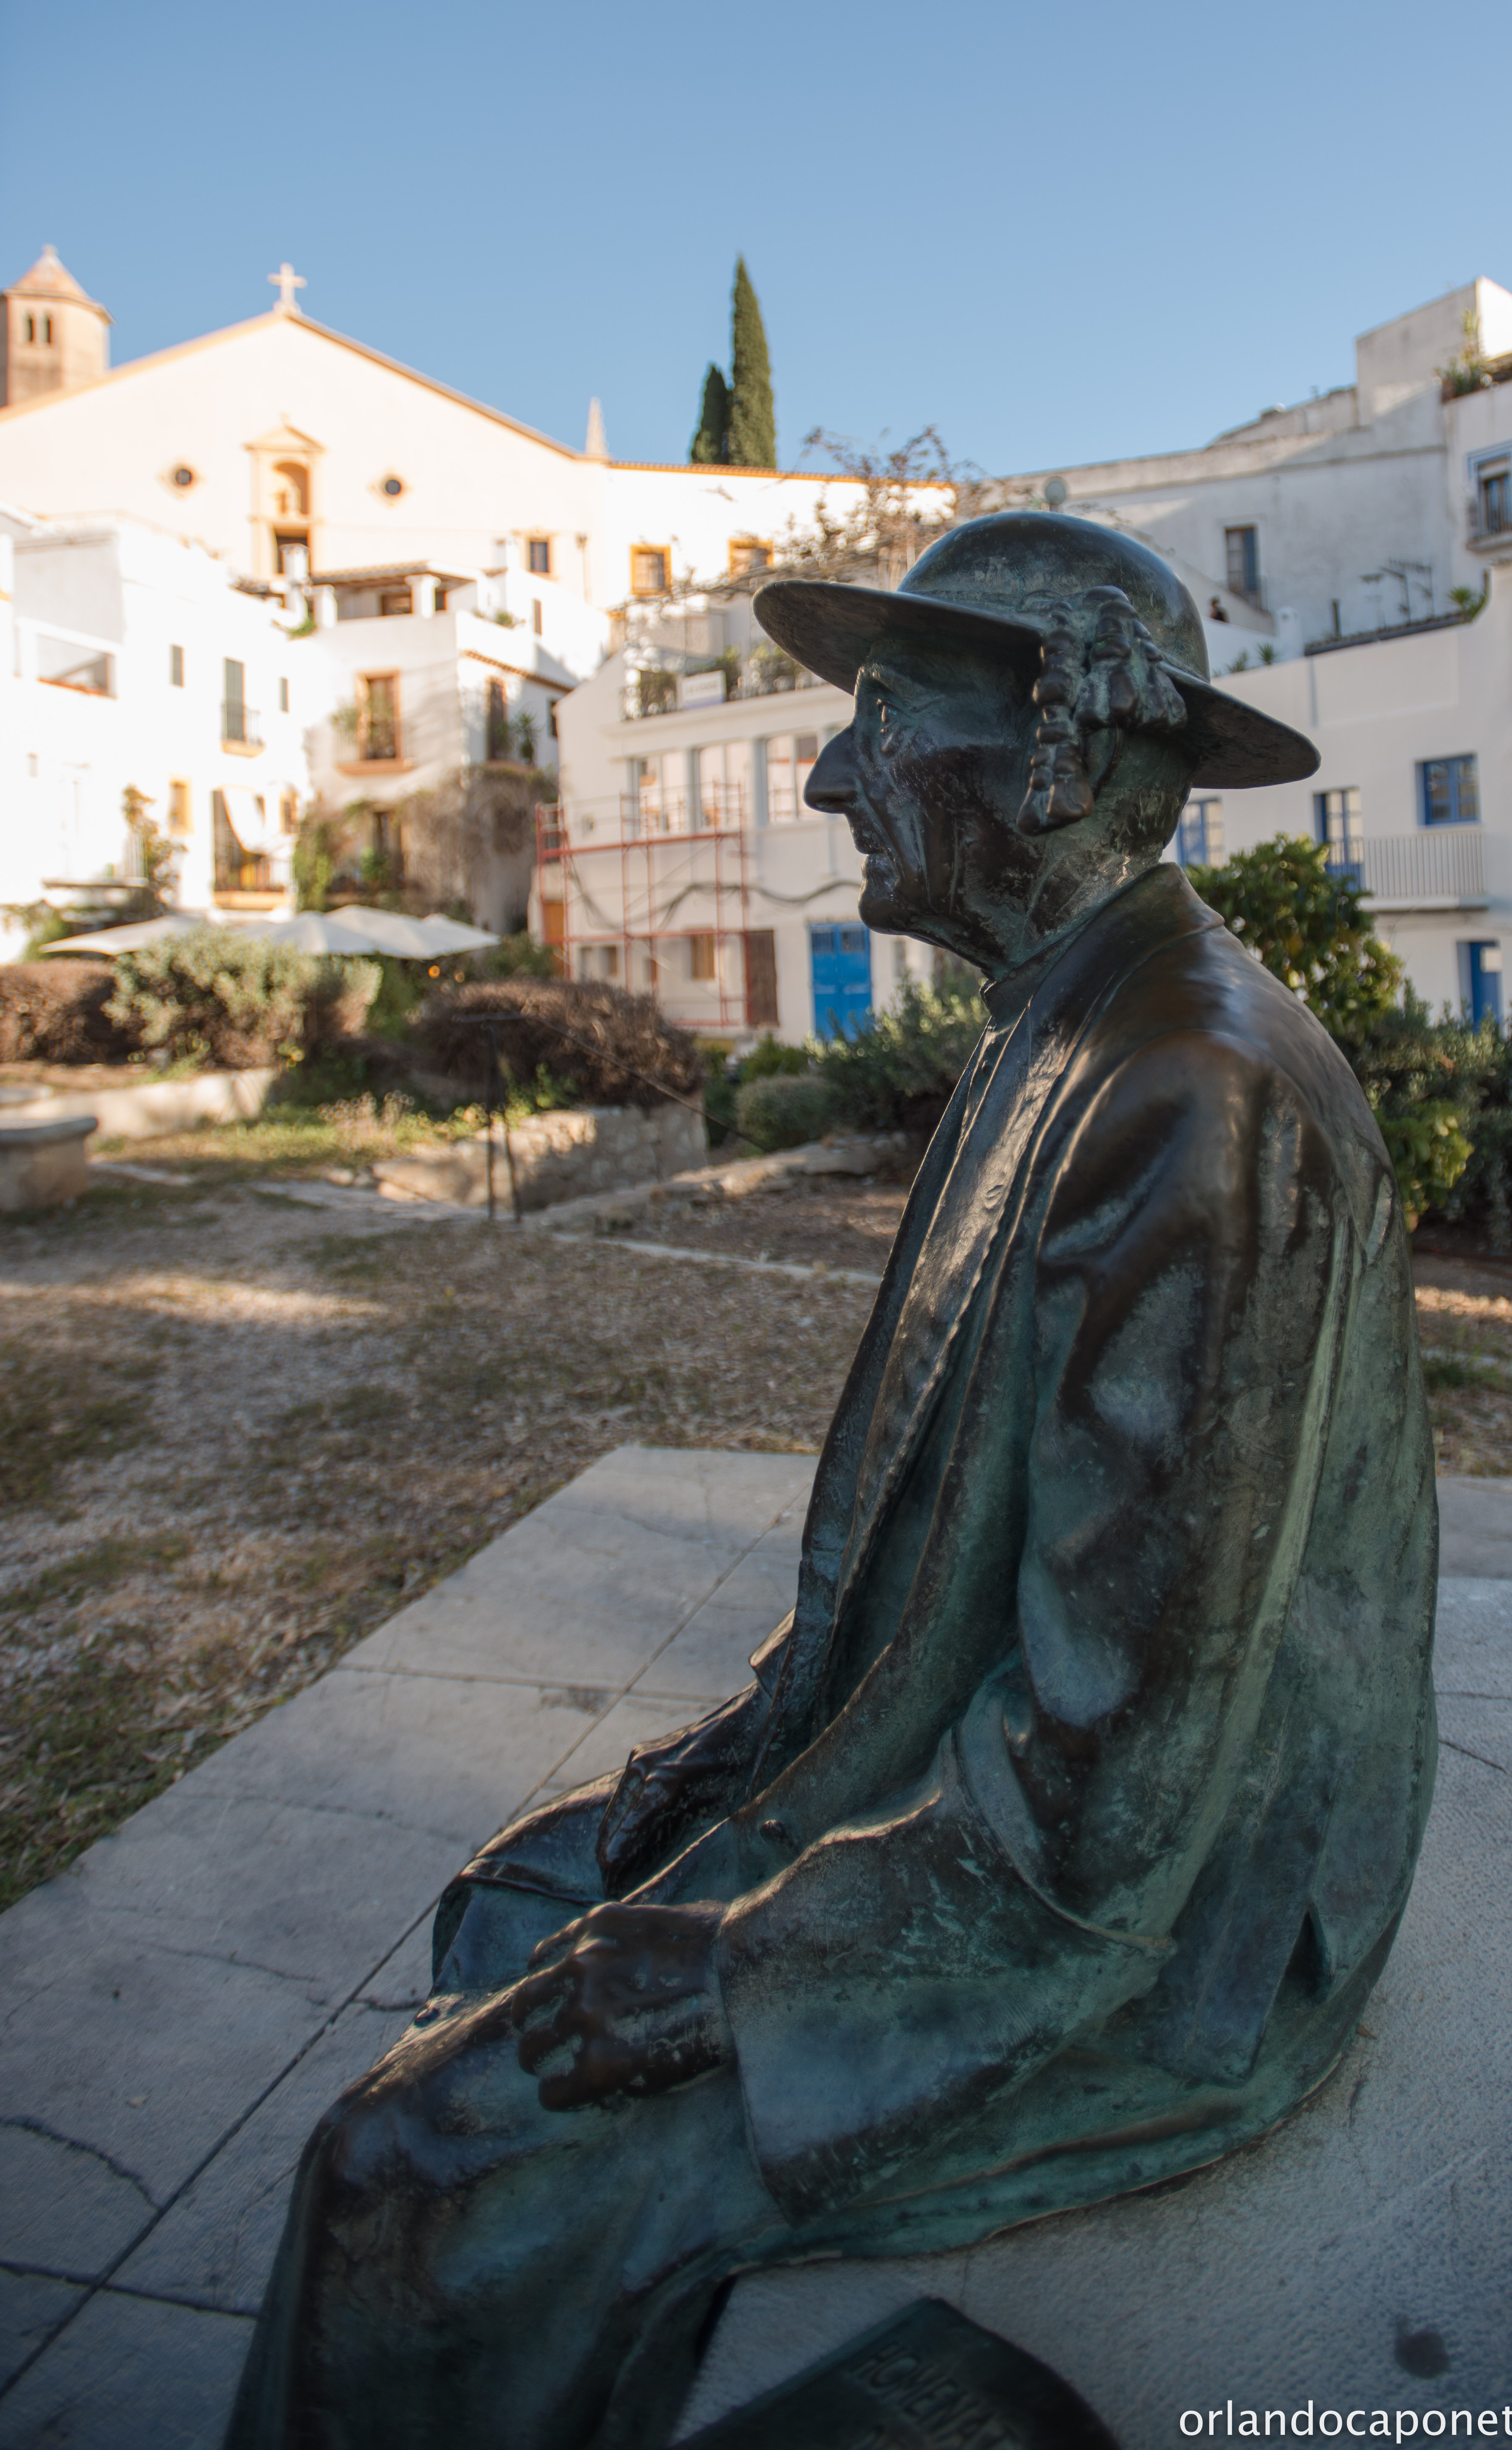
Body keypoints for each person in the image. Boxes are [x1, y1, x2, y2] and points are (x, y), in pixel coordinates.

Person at [226, 514, 1436, 2450]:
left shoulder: (1187, 1100)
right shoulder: (1071, 1021)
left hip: (1172, 1912)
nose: (823, 777)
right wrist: (743, 1755)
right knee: (511, 1900)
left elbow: (1121, 1790)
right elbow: (940, 1567)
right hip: (1010, 1792)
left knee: (411, 2174)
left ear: (1045, 755)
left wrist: (739, 1974)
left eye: (880, 719)